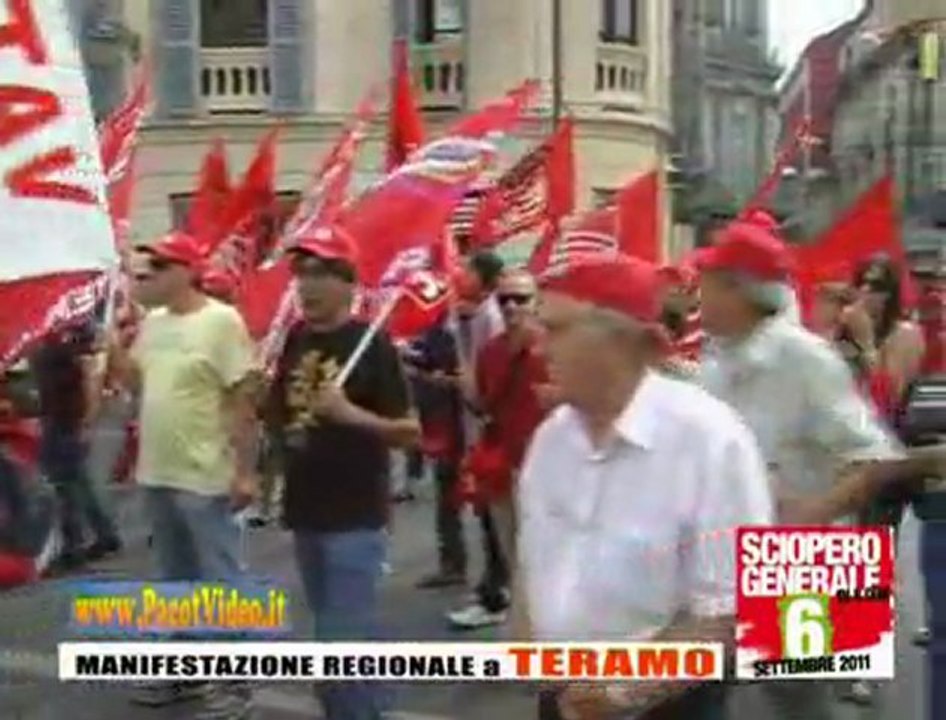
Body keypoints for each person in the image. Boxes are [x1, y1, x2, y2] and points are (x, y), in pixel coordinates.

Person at [518, 254, 773, 719]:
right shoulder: (551, 438)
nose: (539, 348)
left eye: (556, 330)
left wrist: (625, 690)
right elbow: (533, 561)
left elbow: (728, 610)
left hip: (667, 705)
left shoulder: (709, 438)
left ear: (617, 340)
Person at [696, 221, 904, 719]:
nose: (696, 290)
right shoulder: (716, 357)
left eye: (707, 279)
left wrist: (810, 513)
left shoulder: (806, 357)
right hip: (719, 554)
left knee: (799, 707)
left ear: (737, 289)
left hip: (799, 555)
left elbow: (877, 457)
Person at [266, 226, 420, 720]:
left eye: (318, 273)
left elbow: (409, 432)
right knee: (340, 633)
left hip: (355, 515)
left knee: (338, 642)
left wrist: (352, 414)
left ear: (347, 283)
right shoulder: (295, 337)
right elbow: (283, 419)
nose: (304, 285)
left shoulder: (372, 344)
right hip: (306, 509)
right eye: (299, 272)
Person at [110, 231, 259, 719]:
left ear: (185, 272)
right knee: (175, 579)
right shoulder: (152, 324)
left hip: (205, 475)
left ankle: (234, 683)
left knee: (219, 580)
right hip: (157, 472)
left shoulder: (221, 322)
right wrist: (113, 345)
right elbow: (136, 383)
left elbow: (242, 400)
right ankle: (183, 671)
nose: (144, 278)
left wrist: (245, 472)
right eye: (143, 269)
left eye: (156, 269)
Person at [447, 269, 548, 630]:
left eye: (520, 298)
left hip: (547, 467)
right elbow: (483, 405)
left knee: (545, 556)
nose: (511, 306)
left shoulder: (552, 348)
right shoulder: (490, 350)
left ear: (537, 302)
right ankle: (526, 634)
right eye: (503, 298)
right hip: (504, 465)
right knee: (514, 555)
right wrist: (466, 386)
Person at [445, 251, 513, 629]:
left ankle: (496, 595)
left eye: (468, 269)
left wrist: (464, 379)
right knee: (488, 518)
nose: (460, 274)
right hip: (478, 433)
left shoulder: (491, 317)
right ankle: (494, 588)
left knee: (494, 519)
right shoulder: (472, 315)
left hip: (490, 436)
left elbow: (477, 380)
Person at [32, 321, 121, 570]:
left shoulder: (62, 350)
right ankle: (102, 535)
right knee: (77, 483)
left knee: (65, 486)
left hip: (64, 423)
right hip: (61, 421)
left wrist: (87, 421)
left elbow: (89, 383)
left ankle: (75, 544)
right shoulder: (58, 347)